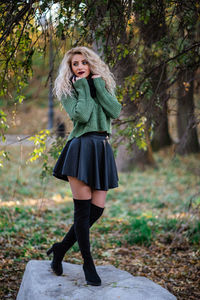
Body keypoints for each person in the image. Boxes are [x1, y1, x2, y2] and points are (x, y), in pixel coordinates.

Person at [47, 46, 121, 286]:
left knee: (96, 209)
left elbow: (115, 111)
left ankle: (60, 249)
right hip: (80, 149)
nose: (79, 67)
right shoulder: (69, 91)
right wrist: (82, 88)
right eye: (74, 64)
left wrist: (98, 86)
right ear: (70, 69)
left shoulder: (103, 86)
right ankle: (88, 263)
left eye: (83, 62)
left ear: (91, 64)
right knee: (82, 211)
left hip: (101, 148)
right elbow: (82, 115)